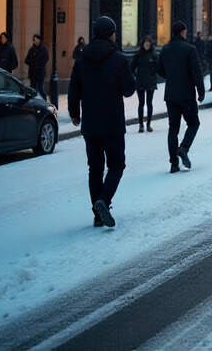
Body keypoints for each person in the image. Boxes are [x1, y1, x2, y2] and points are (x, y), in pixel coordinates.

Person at [68, 16, 136, 228]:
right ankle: (103, 201)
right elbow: (129, 90)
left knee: (95, 168)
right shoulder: (118, 59)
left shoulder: (82, 59)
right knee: (116, 164)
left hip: (90, 123)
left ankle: (98, 215)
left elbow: (73, 89)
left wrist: (74, 113)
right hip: (112, 122)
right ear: (111, 34)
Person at [157, 21, 205, 173]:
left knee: (173, 128)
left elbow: (159, 69)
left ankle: (173, 163)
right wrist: (201, 91)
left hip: (171, 94)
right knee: (193, 123)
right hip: (186, 94)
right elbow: (196, 72)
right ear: (183, 32)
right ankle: (184, 148)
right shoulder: (190, 49)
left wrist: (171, 75)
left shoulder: (165, 49)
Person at [131, 36, 158, 133]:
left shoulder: (154, 55)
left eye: (148, 42)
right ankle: (141, 125)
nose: (147, 44)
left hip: (150, 82)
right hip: (140, 82)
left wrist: (152, 74)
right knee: (141, 104)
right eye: (145, 42)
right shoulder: (138, 54)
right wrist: (136, 75)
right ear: (142, 44)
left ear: (151, 44)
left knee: (149, 103)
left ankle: (149, 124)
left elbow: (157, 67)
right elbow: (132, 67)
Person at [24, 34, 49, 99]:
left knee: (41, 88)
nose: (34, 41)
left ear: (39, 40)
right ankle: (34, 101)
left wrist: (38, 65)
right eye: (33, 40)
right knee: (33, 89)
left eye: (35, 39)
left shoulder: (43, 49)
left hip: (40, 72)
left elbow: (46, 59)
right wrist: (32, 63)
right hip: (32, 73)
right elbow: (26, 60)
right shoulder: (31, 49)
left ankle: (44, 100)